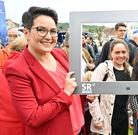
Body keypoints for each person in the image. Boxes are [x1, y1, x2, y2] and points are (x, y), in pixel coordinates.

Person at [4, 6, 84, 135]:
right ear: (26, 33)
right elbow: (32, 117)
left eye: (53, 31)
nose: (48, 37)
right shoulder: (17, 70)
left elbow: (73, 89)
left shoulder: (60, 54)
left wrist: (86, 93)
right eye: (41, 30)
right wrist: (65, 92)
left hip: (78, 128)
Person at [87, 39, 132, 135]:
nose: (121, 55)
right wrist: (97, 118)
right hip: (105, 117)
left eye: (123, 52)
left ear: (127, 53)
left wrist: (131, 117)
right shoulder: (103, 68)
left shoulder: (130, 70)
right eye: (117, 52)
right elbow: (91, 94)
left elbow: (132, 96)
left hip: (122, 119)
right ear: (111, 53)